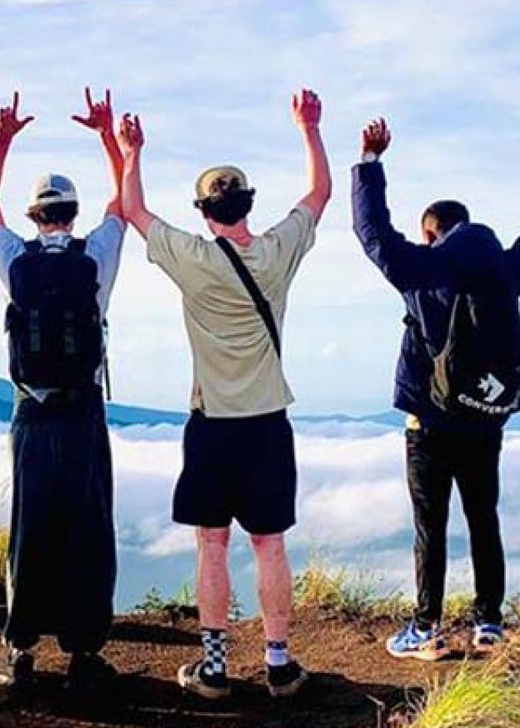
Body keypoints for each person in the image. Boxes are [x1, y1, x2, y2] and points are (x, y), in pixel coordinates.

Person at [350, 118, 520, 661]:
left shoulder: (422, 270)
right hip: (484, 420)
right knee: (483, 518)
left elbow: (372, 233)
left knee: (431, 526)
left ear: (431, 232)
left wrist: (370, 162)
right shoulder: (507, 270)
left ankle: (426, 629)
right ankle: (489, 624)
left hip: (428, 426)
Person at [115, 89, 332, 700]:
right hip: (267, 422)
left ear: (206, 211)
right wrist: (308, 129)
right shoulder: (277, 252)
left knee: (212, 544)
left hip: (211, 423)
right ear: (246, 205)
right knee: (270, 544)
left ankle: (213, 667)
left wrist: (131, 151)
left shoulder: (192, 258)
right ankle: (279, 662)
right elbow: (318, 196)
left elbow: (133, 210)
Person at [0, 89, 126, 692]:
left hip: (31, 414)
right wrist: (109, 137)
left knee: (30, 524)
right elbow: (124, 203)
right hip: (84, 411)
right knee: (89, 526)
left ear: (36, 218)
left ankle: (20, 650)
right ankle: (85, 655)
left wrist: (3, 139)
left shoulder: (14, 261)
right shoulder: (98, 257)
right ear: (72, 212)